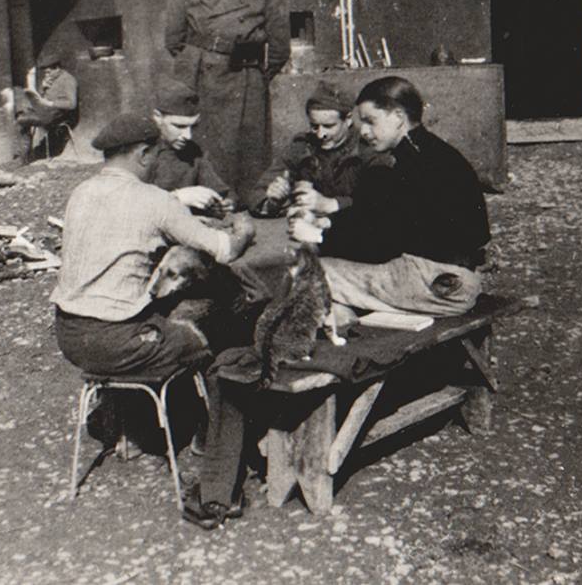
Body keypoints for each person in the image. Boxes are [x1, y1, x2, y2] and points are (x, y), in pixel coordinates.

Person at [50, 111, 256, 530]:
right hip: (121, 343)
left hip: (70, 336)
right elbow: (223, 249)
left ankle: (133, 427)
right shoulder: (153, 201)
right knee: (229, 345)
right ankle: (219, 485)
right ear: (144, 154)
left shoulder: (81, 193)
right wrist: (245, 227)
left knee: (161, 310)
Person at [290, 76, 490, 318]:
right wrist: (332, 223)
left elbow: (382, 239)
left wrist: (319, 236)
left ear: (398, 117)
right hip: (453, 276)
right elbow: (380, 213)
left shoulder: (411, 165)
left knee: (306, 271)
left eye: (370, 121)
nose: (363, 131)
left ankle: (346, 348)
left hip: (439, 284)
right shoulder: (432, 152)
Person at [164, 0, 290, 206]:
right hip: (199, 75)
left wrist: (254, 76)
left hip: (245, 76)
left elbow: (280, 49)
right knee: (203, 141)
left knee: (248, 145)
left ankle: (251, 199)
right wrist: (198, 63)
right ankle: (210, 199)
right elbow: (173, 39)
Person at [246, 79, 381, 218]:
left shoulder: (367, 149)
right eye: (314, 126)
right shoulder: (303, 147)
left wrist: (333, 204)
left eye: (329, 126)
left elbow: (382, 201)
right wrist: (272, 199)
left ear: (347, 119)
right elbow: (255, 194)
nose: (320, 134)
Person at [148, 77, 234, 214]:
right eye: (179, 126)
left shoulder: (192, 151)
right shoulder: (140, 151)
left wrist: (223, 204)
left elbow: (219, 190)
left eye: (192, 127)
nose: (188, 136)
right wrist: (177, 197)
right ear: (157, 117)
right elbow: (127, 203)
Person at [13, 50, 78, 163]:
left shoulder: (68, 80)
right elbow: (41, 98)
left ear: (57, 68)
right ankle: (24, 155)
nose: (46, 75)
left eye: (48, 72)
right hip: (47, 112)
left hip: (58, 115)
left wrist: (50, 104)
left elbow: (72, 104)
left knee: (22, 120)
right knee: (21, 114)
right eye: (45, 73)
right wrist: (43, 88)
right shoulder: (52, 79)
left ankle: (23, 157)